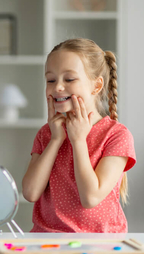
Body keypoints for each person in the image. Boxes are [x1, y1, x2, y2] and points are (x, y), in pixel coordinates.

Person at [22, 38, 136, 233]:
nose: (57, 87)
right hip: (47, 240)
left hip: (101, 242)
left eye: (69, 79)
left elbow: (90, 198)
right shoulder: (47, 134)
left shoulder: (117, 135)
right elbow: (31, 192)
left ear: (96, 86)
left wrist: (78, 140)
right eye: (51, 80)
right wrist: (56, 140)